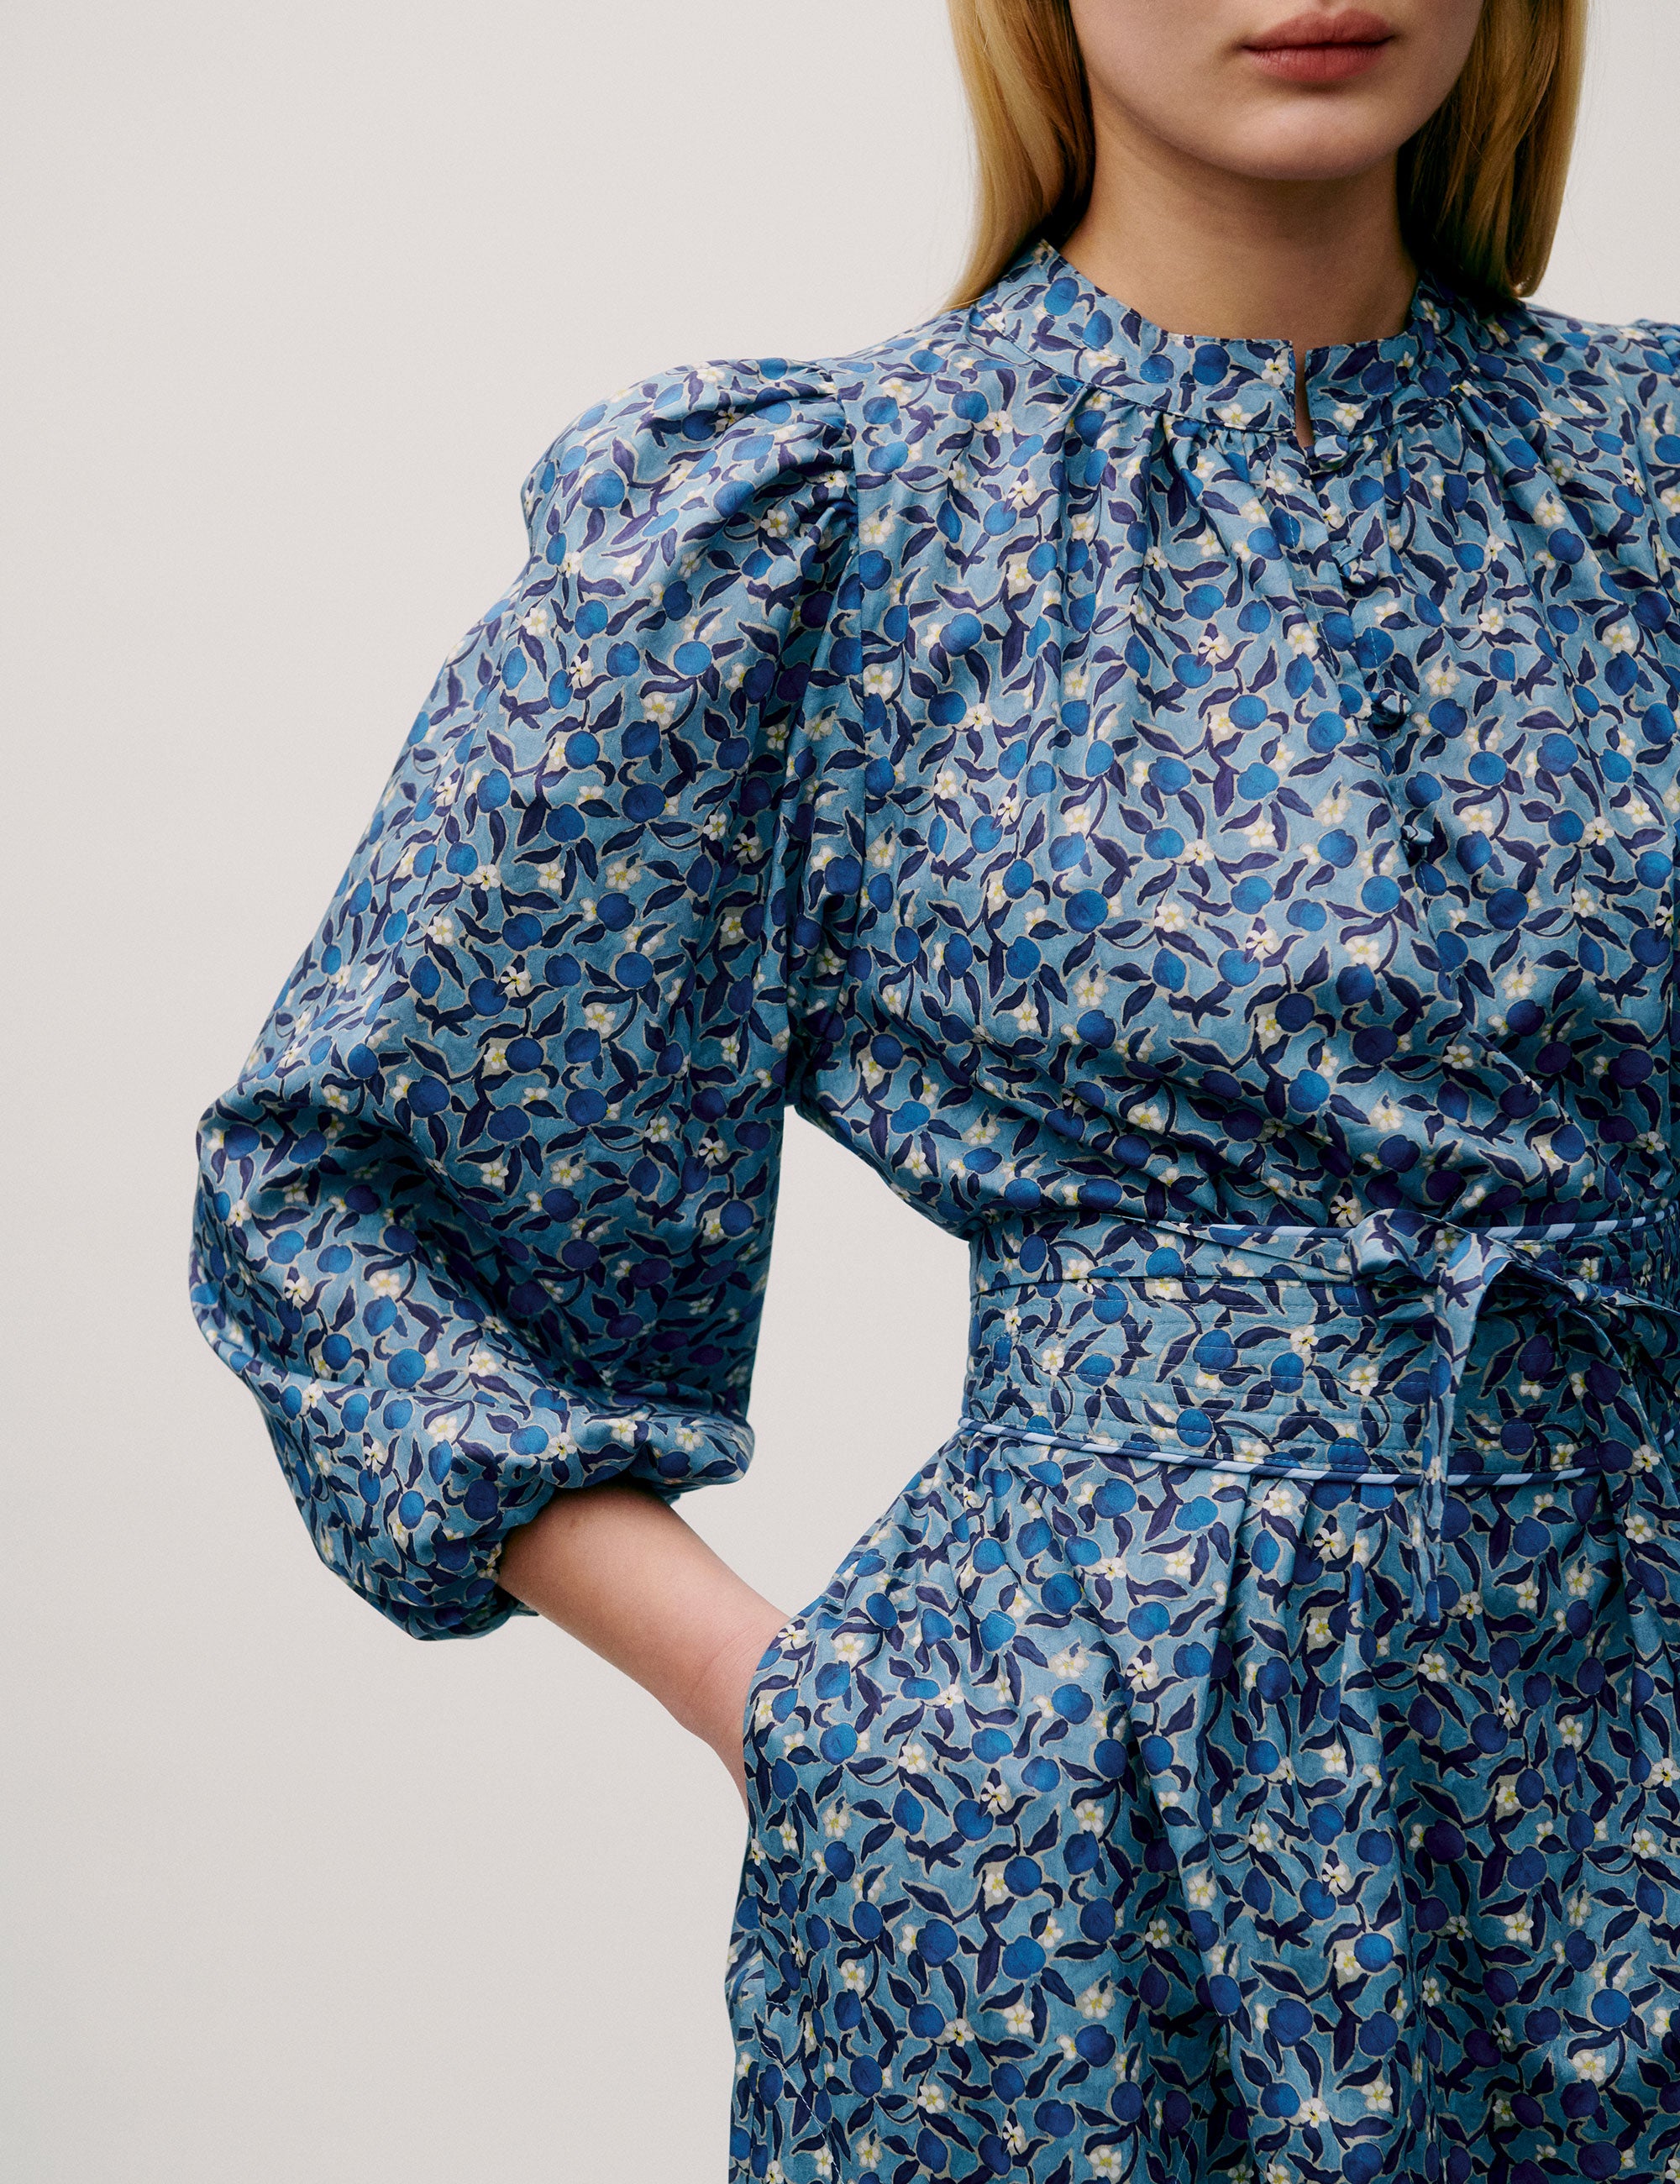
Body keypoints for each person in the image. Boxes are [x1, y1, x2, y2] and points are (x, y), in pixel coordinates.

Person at [187, 0, 1680, 2176]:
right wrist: (806, 1714)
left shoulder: (1645, 489)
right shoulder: (840, 514)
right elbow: (338, 1190)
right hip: (1071, 1860)